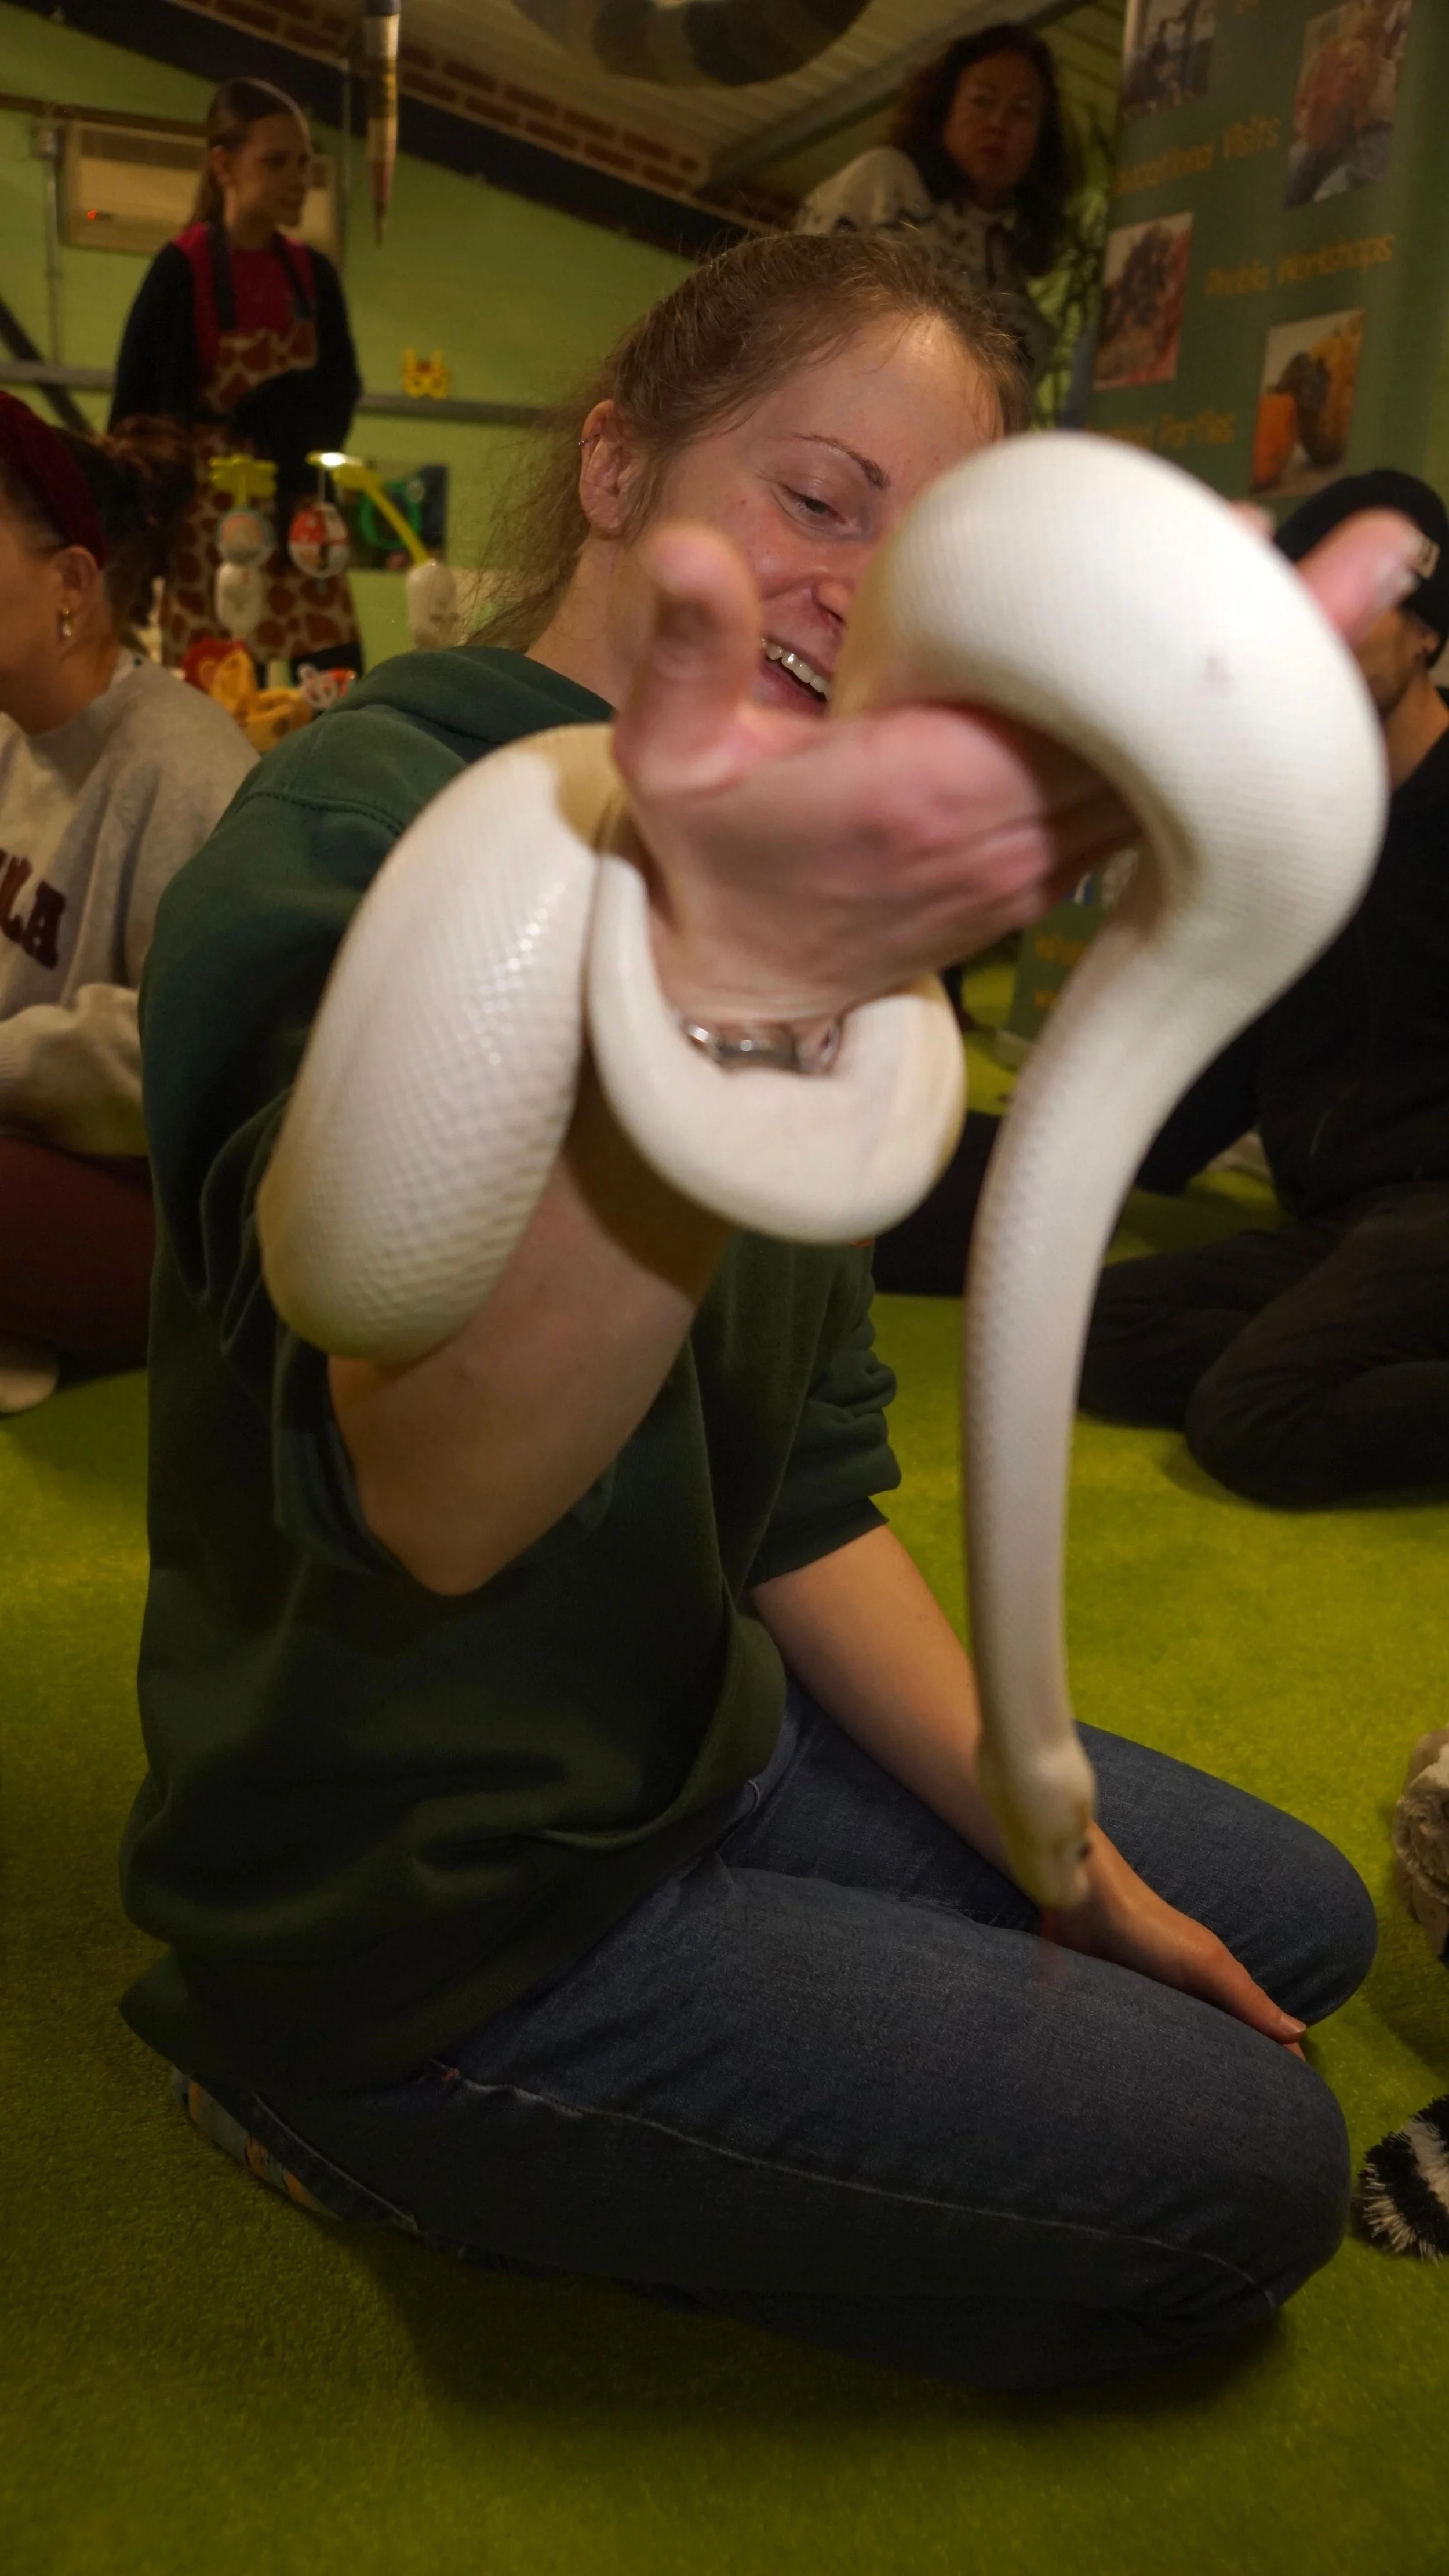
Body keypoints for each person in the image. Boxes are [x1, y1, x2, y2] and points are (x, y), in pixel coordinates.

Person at [121, 234, 1410, 2392]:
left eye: (921, 553)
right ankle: (348, 2117)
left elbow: (797, 1502)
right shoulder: (346, 821)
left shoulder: (833, 911)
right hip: (438, 1910)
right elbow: (429, 1499)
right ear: (617, 462)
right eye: (817, 499)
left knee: (1290, 1924)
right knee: (1253, 2182)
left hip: (692, 1735)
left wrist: (1041, 1829)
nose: (853, 591)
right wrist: (730, 998)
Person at [1079, 468, 1449, 1510]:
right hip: (1338, 1219)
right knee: (1092, 1333)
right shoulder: (1299, 833)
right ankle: (1322, 1358)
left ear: (1426, 634)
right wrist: (1110, 1157)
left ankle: (1298, 1369)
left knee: (1253, 1419)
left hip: (1437, 1216)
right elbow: (1250, 1046)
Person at [0, 392, 256, 1416]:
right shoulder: (15, 733)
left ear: (69, 582)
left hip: (164, 1205)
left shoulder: (185, 767)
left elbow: (193, 1047)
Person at [110, 77, 363, 683]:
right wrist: (139, 547)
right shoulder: (181, 270)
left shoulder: (313, 275)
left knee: (330, 679)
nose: (299, 179)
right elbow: (137, 418)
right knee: (214, 688)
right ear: (224, 165)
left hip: (300, 510)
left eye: (304, 163)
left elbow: (340, 389)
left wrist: (285, 415)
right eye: (277, 162)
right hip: (209, 527)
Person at [795, 23, 1076, 390]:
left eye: (1022, 111)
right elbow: (799, 308)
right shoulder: (885, 183)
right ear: (945, 107)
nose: (998, 124)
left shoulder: (1015, 272)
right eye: (982, 101)